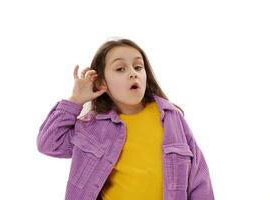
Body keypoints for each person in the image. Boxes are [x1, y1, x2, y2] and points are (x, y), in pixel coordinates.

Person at [36, 38, 215, 200]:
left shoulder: (170, 117)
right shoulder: (93, 127)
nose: (133, 73)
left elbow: (199, 177)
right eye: (120, 69)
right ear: (101, 83)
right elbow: (49, 143)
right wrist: (75, 101)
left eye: (138, 67)